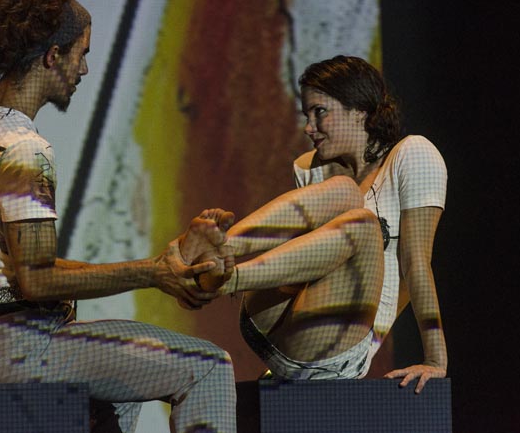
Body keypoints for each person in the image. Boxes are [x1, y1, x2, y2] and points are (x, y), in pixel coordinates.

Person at [0, 0, 236, 433]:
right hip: (24, 351)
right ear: (52, 55)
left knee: (119, 389)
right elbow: (38, 280)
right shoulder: (25, 149)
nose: (83, 70)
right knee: (209, 366)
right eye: (81, 55)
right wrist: (153, 272)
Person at [181, 55, 447, 393]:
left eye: (320, 112)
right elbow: (306, 259)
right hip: (266, 321)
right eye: (307, 115)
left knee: (363, 224)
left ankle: (223, 280)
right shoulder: (311, 167)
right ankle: (220, 251)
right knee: (343, 190)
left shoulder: (414, 155)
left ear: (359, 111)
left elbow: (416, 264)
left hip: (333, 347)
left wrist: (436, 359)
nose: (309, 127)